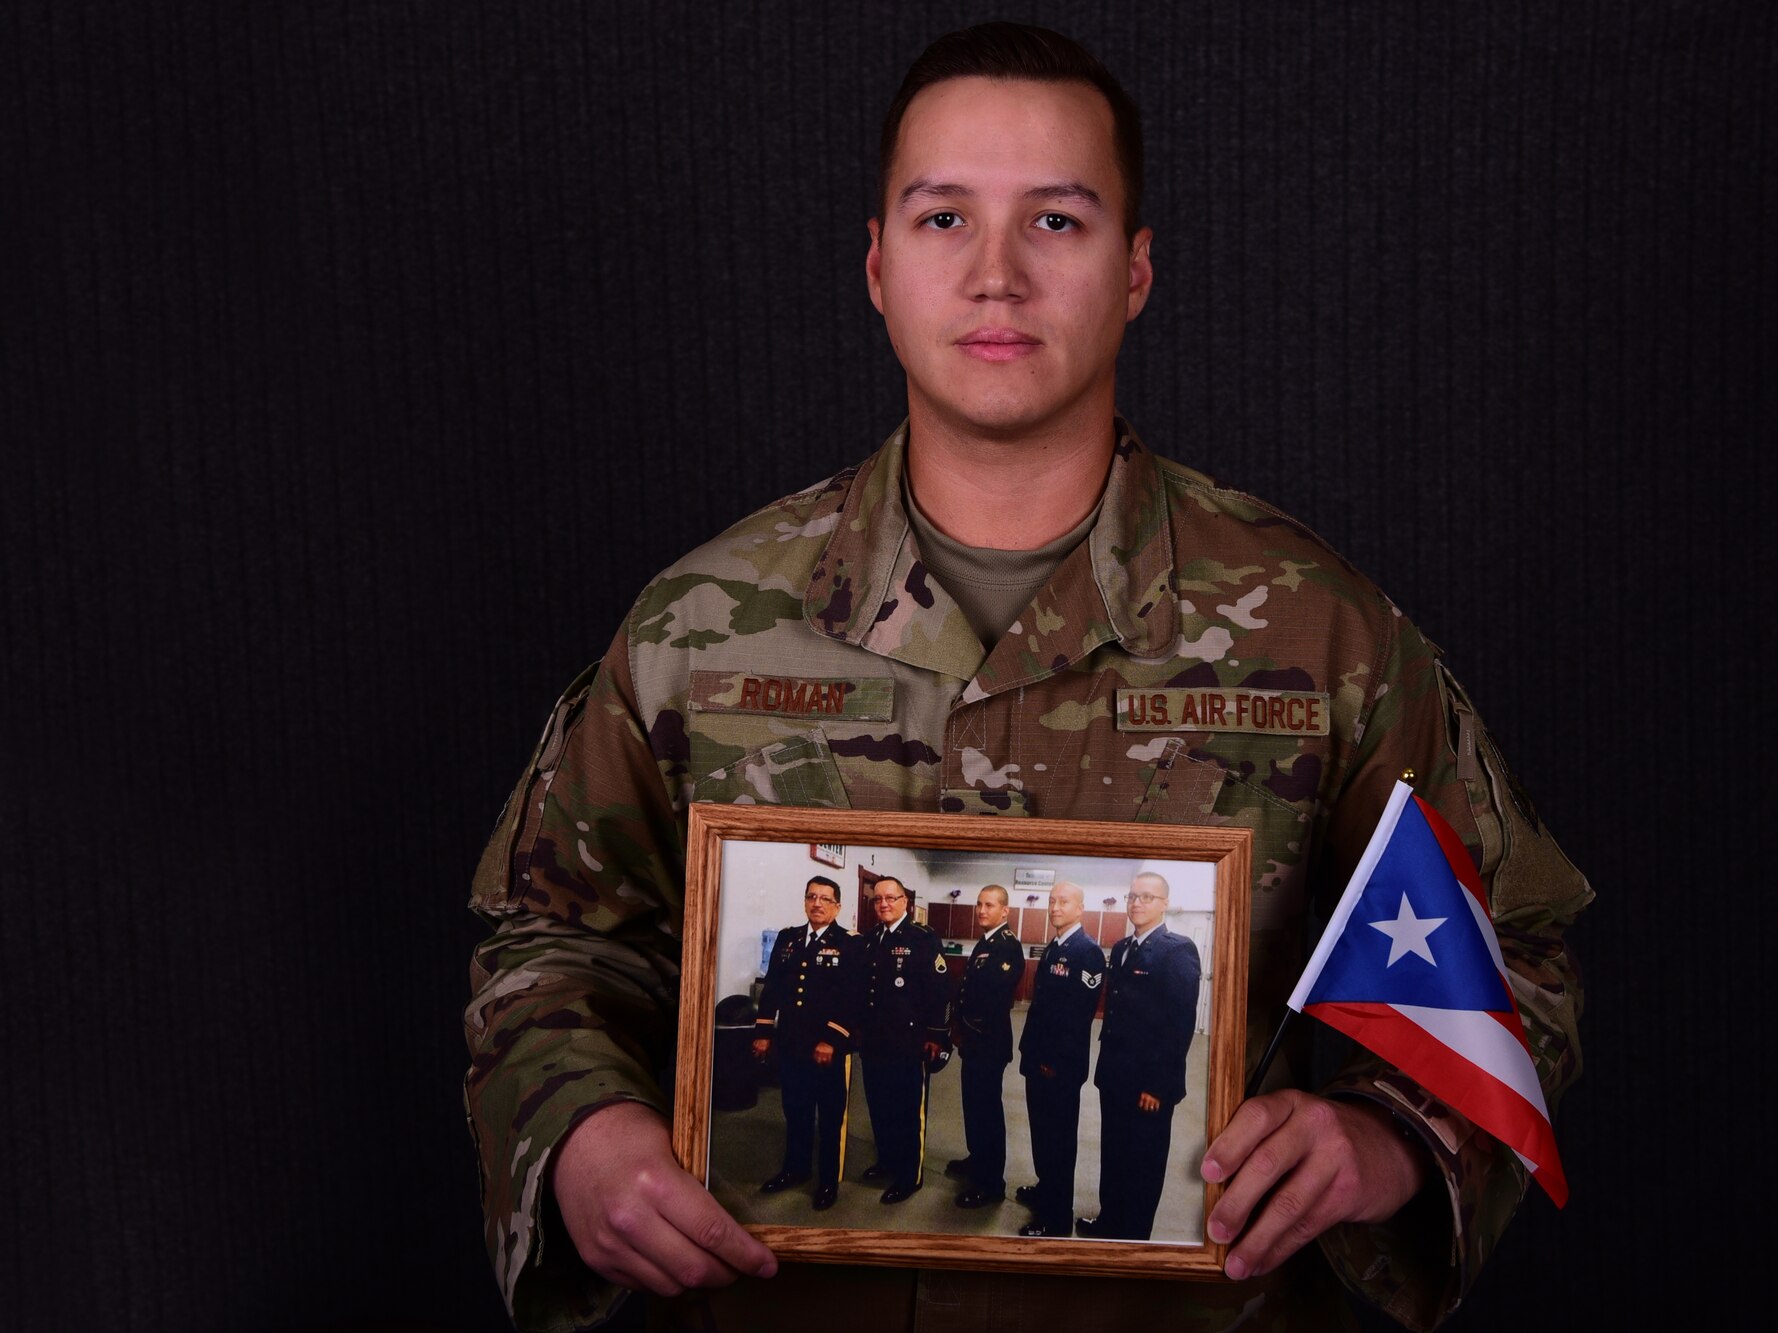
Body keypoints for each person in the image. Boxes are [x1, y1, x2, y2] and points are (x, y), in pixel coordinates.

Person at [463, 19, 1590, 1333]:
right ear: (877, 267)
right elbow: (549, 935)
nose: (996, 276)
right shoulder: (702, 627)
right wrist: (583, 1131)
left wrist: (1383, 1142)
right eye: (944, 220)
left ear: (1136, 273)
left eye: (1057, 222)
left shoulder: (1317, 632)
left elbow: (1512, 950)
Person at [1085, 872, 1201, 1240]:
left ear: (1164, 903)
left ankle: (1133, 1238)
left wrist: (1158, 1085)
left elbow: (1179, 1024)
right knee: (1114, 1153)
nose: (1137, 903)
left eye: (1147, 897)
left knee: (1144, 1162)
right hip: (1116, 1075)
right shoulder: (1121, 948)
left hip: (1149, 1083)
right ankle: (1109, 1222)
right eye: (1132, 896)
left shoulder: (1177, 950)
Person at [749, 875, 861, 1211]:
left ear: (837, 906)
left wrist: (831, 1039)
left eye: (826, 899)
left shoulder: (850, 943)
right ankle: (795, 1169)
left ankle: (827, 1181)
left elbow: (853, 998)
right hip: (792, 1044)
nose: (817, 903)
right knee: (795, 1111)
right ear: (805, 901)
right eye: (812, 896)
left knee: (828, 1117)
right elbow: (772, 989)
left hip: (827, 1049)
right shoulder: (789, 939)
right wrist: (764, 1031)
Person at [1010, 880, 1103, 1238]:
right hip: (1039, 1060)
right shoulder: (1054, 946)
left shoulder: (1087, 951)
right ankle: (1047, 1188)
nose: (1055, 907)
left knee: (1058, 1141)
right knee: (1042, 1134)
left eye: (1063, 902)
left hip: (1058, 1067)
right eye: (1051, 901)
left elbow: (1077, 1017)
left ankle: (1056, 1220)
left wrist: (1053, 1060)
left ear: (1080, 908)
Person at [856, 877, 950, 1203]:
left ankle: (910, 1176)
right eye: (878, 899)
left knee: (908, 1111)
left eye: (891, 898)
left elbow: (939, 991)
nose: (883, 904)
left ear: (905, 902)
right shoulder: (869, 940)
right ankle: (886, 1161)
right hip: (874, 1042)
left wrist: (936, 1036)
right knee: (880, 1107)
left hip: (909, 1042)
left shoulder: (923, 938)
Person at [944, 884, 1024, 1209]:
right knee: (973, 1107)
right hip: (974, 1042)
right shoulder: (986, 941)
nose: (981, 911)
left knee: (987, 1112)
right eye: (979, 905)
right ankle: (978, 1159)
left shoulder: (1007, 946)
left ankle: (991, 1183)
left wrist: (966, 1027)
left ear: (1005, 911)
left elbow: (993, 999)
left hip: (988, 1042)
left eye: (989, 905)